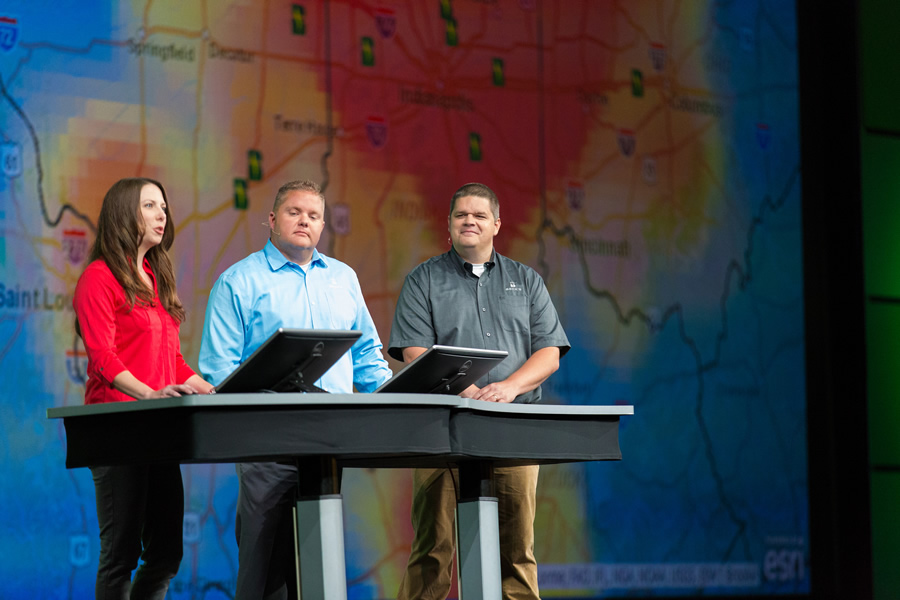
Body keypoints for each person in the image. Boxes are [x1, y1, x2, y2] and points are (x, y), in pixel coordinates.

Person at [198, 179, 392, 600]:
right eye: (294, 212)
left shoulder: (344, 279)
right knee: (265, 570)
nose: (305, 220)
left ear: (323, 226)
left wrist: (400, 396)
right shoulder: (238, 281)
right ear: (271, 220)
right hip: (265, 443)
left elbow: (368, 360)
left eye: (314, 215)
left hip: (328, 443)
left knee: (317, 566)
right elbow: (218, 373)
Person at [390, 182, 570, 600]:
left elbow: (549, 353)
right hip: (442, 429)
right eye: (460, 215)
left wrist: (506, 388)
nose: (469, 221)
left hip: (515, 431)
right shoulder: (423, 280)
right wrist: (464, 389)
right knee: (432, 550)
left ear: (496, 225)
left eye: (479, 215)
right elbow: (415, 350)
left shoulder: (526, 281)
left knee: (517, 554)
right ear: (448, 225)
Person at [73, 177, 214, 599]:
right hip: (117, 430)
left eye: (163, 207)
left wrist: (207, 387)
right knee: (120, 556)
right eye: (150, 205)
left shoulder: (155, 276)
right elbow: (103, 356)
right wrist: (149, 393)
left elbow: (171, 359)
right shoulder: (98, 278)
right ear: (123, 213)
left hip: (157, 433)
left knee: (167, 554)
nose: (161, 214)